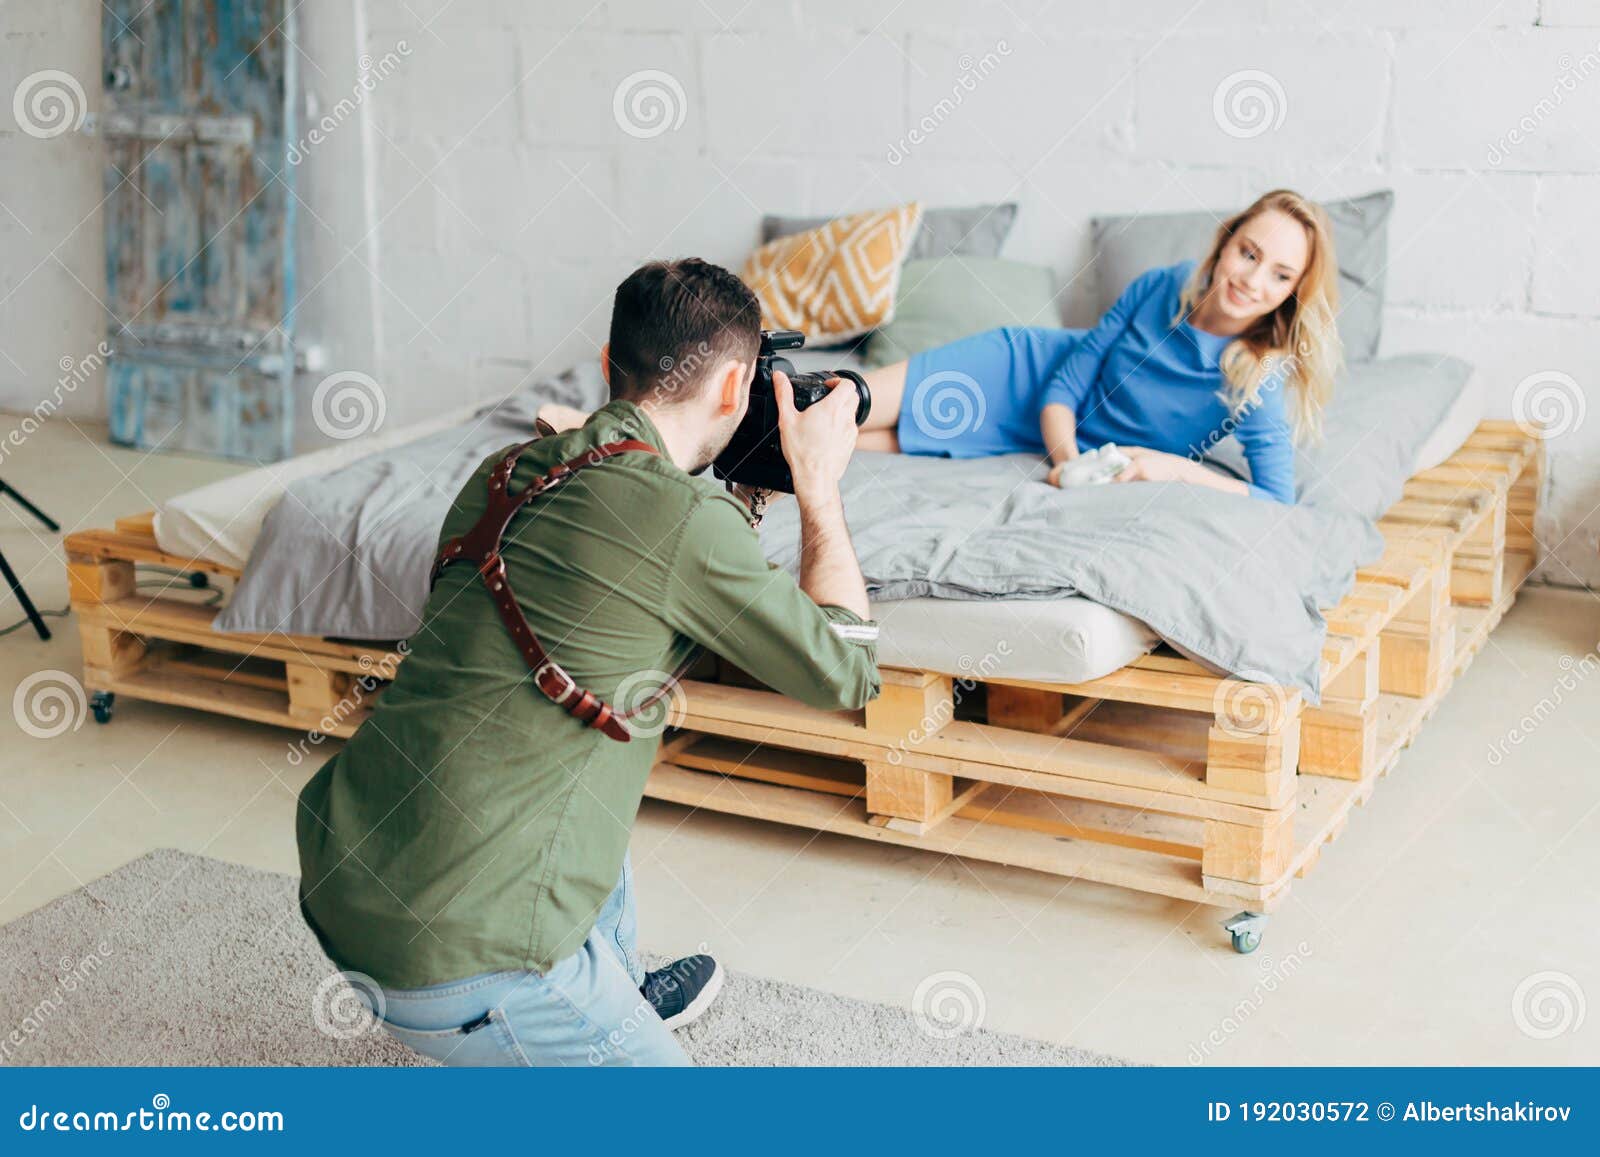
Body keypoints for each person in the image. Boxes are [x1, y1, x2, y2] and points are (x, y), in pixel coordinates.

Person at [295, 258, 882, 1066]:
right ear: (734, 387)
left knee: (570, 732)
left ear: (610, 367)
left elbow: (666, 585)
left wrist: (741, 493)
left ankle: (618, 990)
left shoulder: (500, 473)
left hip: (349, 880)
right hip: (464, 964)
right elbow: (848, 670)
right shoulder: (678, 515)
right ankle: (563, 1013)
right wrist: (817, 482)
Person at [854, 189, 1343, 504]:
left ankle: (777, 437)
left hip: (1025, 437)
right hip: (1019, 372)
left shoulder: (1259, 375)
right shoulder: (1163, 286)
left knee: (837, 443)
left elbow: (1276, 499)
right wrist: (1067, 465)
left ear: (1294, 292)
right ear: (1225, 242)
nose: (1253, 281)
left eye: (1280, 275)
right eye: (1248, 253)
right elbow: (1064, 384)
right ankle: (780, 399)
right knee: (844, 404)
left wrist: (1177, 471)